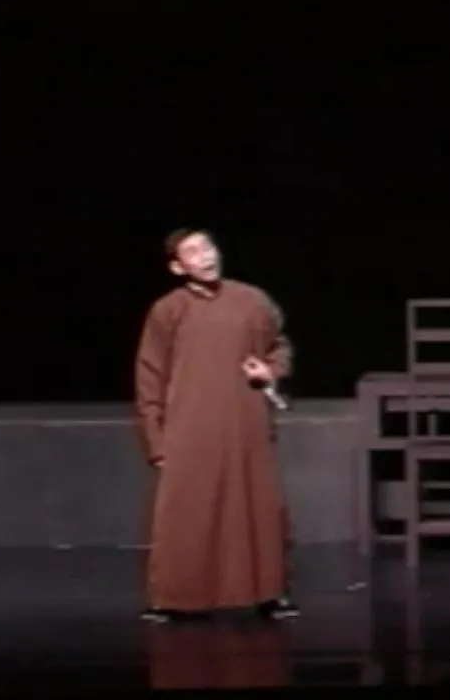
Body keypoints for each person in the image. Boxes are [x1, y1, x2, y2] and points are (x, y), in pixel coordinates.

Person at [134, 227, 299, 622]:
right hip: (189, 426)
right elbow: (150, 375)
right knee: (187, 509)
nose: (206, 256)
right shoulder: (168, 310)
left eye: (207, 247)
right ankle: (175, 597)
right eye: (193, 252)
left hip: (244, 421)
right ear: (178, 267)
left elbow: (280, 345)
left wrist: (271, 369)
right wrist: (156, 441)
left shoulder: (252, 300)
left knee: (256, 506)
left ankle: (268, 593)